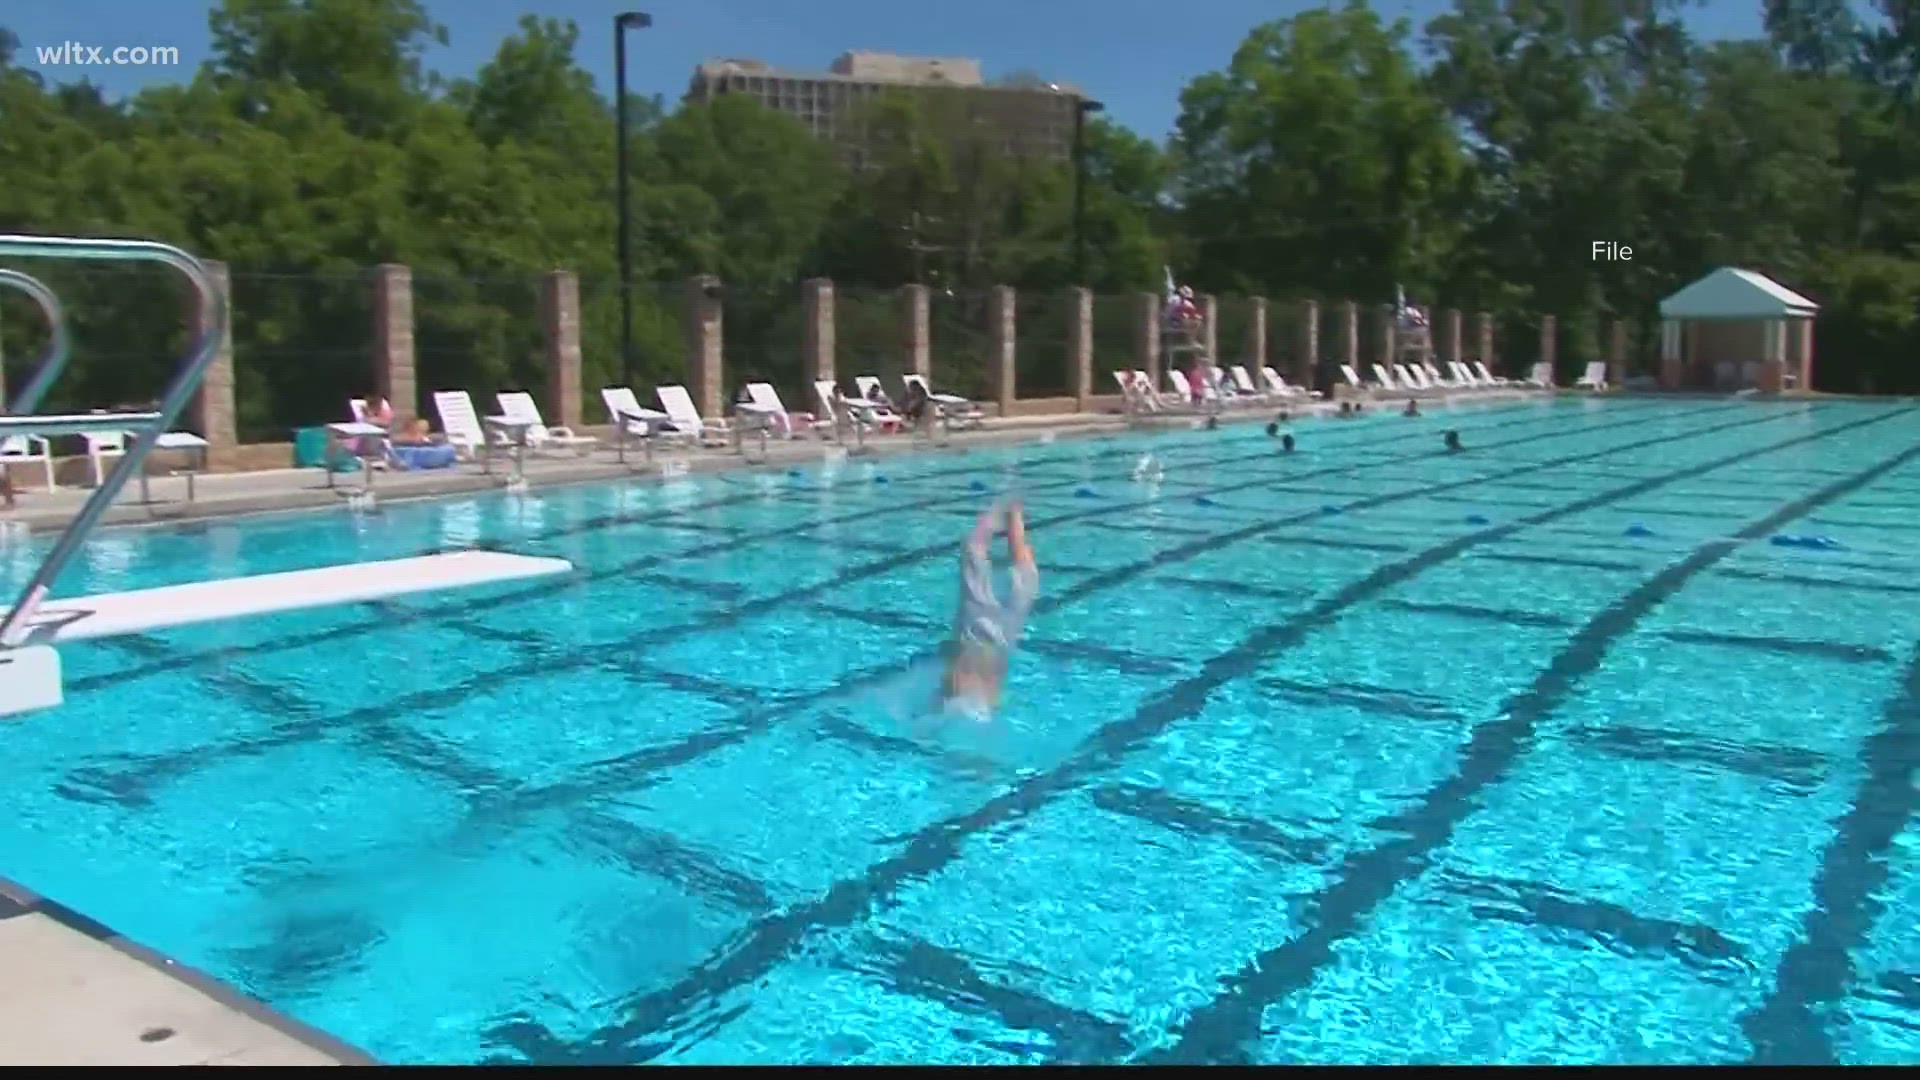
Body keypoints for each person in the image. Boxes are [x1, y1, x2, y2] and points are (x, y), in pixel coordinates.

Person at [935, 499, 1039, 723]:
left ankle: (1009, 507)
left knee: (1018, 566)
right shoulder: (973, 692)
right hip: (984, 629)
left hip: (994, 629)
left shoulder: (975, 694)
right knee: (976, 550)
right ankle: (1008, 507)